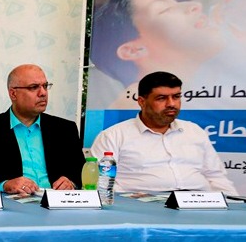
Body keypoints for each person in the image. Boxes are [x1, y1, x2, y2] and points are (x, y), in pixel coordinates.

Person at [91, 0, 246, 108]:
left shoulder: (209, 90)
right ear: (134, 50)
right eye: (166, 9)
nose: (195, 5)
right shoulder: (135, 107)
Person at [90, 71, 237, 194]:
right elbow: (101, 182)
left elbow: (216, 176)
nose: (171, 104)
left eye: (176, 97)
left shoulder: (194, 131)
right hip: (142, 207)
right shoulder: (113, 136)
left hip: (198, 203)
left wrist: (234, 205)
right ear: (142, 102)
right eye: (162, 98)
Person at [0, 64, 85, 194]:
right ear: (13, 94)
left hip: (57, 201)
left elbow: (80, 172)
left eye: (45, 86)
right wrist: (5, 185)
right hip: (12, 203)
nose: (43, 93)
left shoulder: (65, 129)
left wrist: (70, 182)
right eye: (34, 87)